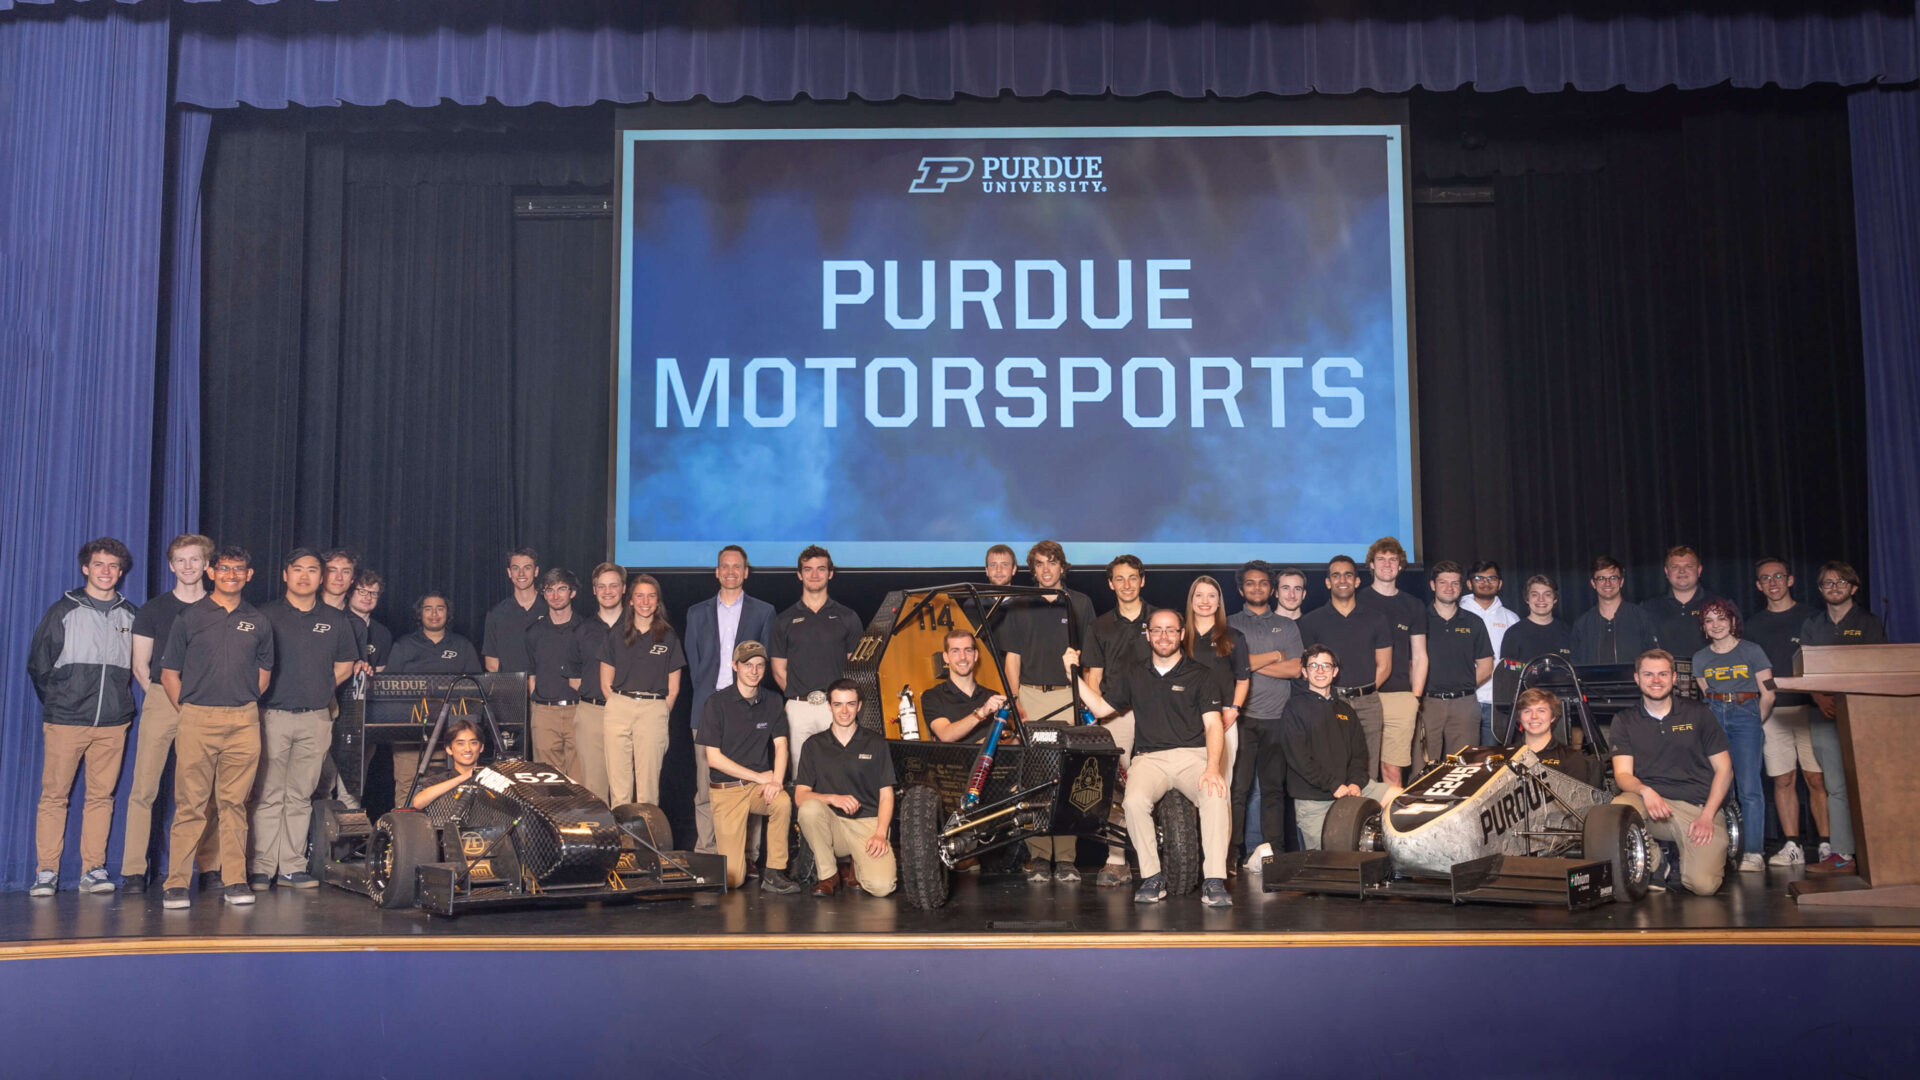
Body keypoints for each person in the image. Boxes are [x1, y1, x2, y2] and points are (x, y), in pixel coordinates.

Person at [1066, 609, 1233, 907]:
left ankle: (1214, 880)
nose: (1164, 636)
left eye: (1170, 630)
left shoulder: (1201, 675)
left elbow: (1213, 725)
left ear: (1182, 634)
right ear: (1148, 634)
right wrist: (1073, 674)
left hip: (1192, 756)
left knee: (1216, 795)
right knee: (1132, 802)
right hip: (1149, 758)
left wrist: (1212, 768)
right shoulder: (1134, 672)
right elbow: (1103, 709)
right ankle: (1152, 877)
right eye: (1157, 630)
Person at [157, 545, 276, 909]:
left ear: (248, 575)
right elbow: (169, 673)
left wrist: (236, 703)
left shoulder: (258, 621)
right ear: (211, 572)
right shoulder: (189, 617)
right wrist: (191, 710)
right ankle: (176, 882)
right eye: (224, 568)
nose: (231, 575)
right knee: (191, 804)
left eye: (238, 569)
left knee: (235, 804)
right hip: (196, 718)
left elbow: (263, 677)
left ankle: (236, 879)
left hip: (243, 721)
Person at [25, 538, 139, 897]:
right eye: (99, 565)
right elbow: (39, 666)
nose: (106, 572)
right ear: (85, 569)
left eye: (113, 566)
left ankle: (93, 869)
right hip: (66, 721)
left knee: (101, 798)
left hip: (113, 723)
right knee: (54, 796)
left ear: (120, 573)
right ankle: (46, 871)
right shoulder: (64, 610)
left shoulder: (130, 614)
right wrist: (62, 701)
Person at [248, 549, 357, 891]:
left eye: (312, 570)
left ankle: (292, 866)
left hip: (315, 719)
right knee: (267, 794)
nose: (305, 576)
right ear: (285, 575)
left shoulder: (336, 620)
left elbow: (345, 665)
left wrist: (321, 687)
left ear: (320, 577)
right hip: (272, 715)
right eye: (298, 569)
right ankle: (262, 867)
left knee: (300, 795)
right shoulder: (265, 615)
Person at [118, 534, 219, 893]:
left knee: (204, 792)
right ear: (171, 565)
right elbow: (140, 666)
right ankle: (133, 871)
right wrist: (165, 697)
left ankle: (209, 868)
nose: (188, 566)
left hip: (207, 702)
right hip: (162, 697)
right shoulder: (154, 609)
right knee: (144, 787)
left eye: (195, 559)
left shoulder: (220, 608)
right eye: (181, 560)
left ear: (207, 565)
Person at [998, 540, 1097, 881]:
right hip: (1031, 697)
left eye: (1051, 562)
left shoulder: (1080, 603)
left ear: (1062, 567)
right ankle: (1039, 856)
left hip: (1070, 699)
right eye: (1039, 564)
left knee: (1069, 779)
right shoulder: (1020, 604)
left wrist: (1087, 699)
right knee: (1037, 780)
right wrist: (1015, 702)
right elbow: (1013, 657)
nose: (1046, 569)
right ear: (1033, 569)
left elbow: (1090, 659)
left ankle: (1067, 858)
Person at [1609, 649, 1733, 896]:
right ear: (1637, 678)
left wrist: (1708, 815)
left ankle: (1686, 854)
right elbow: (1622, 775)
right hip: (1652, 805)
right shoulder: (1625, 720)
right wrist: (1646, 791)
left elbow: (1725, 770)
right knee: (1619, 807)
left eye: (1663, 674)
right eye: (1649, 674)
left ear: (1674, 678)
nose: (1656, 680)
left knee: (1703, 886)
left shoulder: (1698, 713)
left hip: (1696, 808)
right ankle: (1657, 861)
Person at [1797, 560, 1888, 874]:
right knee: (1835, 785)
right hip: (1824, 713)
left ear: (1853, 587)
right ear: (1820, 590)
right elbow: (1803, 667)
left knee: (1868, 783)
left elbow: (1879, 668)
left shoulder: (1869, 622)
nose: (1833, 588)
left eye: (1840, 583)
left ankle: (1880, 851)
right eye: (1827, 583)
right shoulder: (1812, 624)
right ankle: (1843, 854)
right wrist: (1819, 697)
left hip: (1864, 713)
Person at [684, 546, 774, 853]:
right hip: (708, 708)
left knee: (749, 786)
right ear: (717, 572)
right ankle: (708, 851)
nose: (731, 571)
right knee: (705, 787)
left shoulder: (763, 612)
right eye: (725, 566)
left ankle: (749, 855)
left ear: (746, 572)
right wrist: (714, 700)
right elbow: (695, 665)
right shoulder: (696, 613)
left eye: (737, 566)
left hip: (748, 709)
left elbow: (765, 663)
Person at [697, 641, 800, 893]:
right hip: (727, 790)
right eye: (747, 665)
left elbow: (781, 745)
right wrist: (760, 776)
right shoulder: (716, 703)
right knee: (733, 880)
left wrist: (776, 781)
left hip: (757, 789)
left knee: (782, 802)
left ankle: (774, 872)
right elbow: (714, 759)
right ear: (735, 666)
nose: (753, 671)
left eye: (759, 665)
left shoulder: (773, 701)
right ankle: (733, 862)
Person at [1743, 557, 1826, 867]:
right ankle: (1792, 844)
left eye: (1779, 576)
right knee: (1783, 779)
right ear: (1758, 586)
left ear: (1790, 580)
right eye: (1766, 578)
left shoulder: (1813, 618)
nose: (1773, 582)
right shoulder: (1753, 626)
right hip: (1775, 713)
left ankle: (1828, 845)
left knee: (1817, 779)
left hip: (1811, 710)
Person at [1079, 554, 1154, 886]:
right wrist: (1095, 722)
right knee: (1115, 787)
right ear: (1110, 584)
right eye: (1119, 579)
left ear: (1142, 580)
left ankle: (1168, 857)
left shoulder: (1162, 620)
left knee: (1160, 781)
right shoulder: (1099, 626)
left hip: (1158, 714)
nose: (1127, 584)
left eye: (1132, 578)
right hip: (1115, 716)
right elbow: (1093, 676)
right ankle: (1117, 859)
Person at [1228, 560, 1303, 872]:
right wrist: (1274, 656)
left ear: (1271, 589)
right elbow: (1228, 665)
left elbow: (1296, 668)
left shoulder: (1287, 626)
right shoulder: (1229, 624)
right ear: (1240, 588)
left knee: (1273, 791)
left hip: (1278, 719)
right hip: (1240, 718)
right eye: (1250, 583)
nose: (1256, 588)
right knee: (1238, 791)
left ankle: (1275, 854)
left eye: (1262, 583)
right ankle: (1232, 853)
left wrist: (1246, 662)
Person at [1281, 645, 1392, 850]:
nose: (1320, 670)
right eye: (1313, 665)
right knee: (1326, 862)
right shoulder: (1294, 708)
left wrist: (1355, 783)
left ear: (1335, 671)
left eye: (1326, 665)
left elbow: (1360, 755)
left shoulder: (1346, 711)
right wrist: (1333, 785)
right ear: (1304, 672)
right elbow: (1299, 758)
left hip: (1351, 787)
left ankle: (1394, 857)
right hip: (1314, 798)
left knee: (1398, 798)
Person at [1690, 598, 1772, 873]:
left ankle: (1753, 852)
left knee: (1749, 788)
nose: (1716, 625)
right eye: (1709, 620)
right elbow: (1705, 693)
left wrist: (1753, 722)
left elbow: (1769, 693)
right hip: (1714, 715)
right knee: (1721, 785)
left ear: (1733, 621)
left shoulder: (1752, 651)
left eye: (1721, 618)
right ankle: (1726, 850)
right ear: (1703, 627)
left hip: (1745, 712)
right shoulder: (1700, 658)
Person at [795, 680, 897, 897]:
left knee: (882, 887)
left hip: (868, 825)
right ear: (829, 706)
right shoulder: (813, 745)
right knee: (809, 809)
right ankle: (828, 875)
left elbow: (887, 796)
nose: (844, 711)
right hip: (834, 827)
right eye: (838, 704)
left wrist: (880, 833)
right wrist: (833, 798)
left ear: (859, 706)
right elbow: (800, 796)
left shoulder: (876, 743)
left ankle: (858, 864)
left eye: (850, 704)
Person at [770, 545, 864, 778]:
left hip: (835, 709)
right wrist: (800, 697)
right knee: (800, 778)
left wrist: (838, 703)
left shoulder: (848, 617)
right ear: (799, 574)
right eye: (808, 569)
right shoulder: (784, 620)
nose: (814, 575)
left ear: (830, 573)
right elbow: (779, 670)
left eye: (821, 569)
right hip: (797, 709)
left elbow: (855, 669)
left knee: (840, 774)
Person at [1297, 555, 1393, 782]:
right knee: (1331, 766)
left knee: (1367, 771)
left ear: (1357, 582)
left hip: (1368, 704)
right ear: (1328, 582)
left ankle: (1365, 816)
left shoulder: (1376, 619)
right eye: (1336, 575)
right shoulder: (1311, 621)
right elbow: (1308, 668)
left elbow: (1385, 665)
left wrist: (1362, 692)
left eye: (1348, 574)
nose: (1342, 580)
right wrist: (1332, 696)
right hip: (1328, 703)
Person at [597, 573, 685, 807]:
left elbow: (674, 688)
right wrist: (621, 706)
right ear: (631, 601)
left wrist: (656, 711)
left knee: (648, 789)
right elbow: (606, 682)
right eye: (640, 596)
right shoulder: (615, 635)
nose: (645, 601)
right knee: (619, 788)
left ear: (658, 601)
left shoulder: (668, 636)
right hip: (619, 707)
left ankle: (647, 842)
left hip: (653, 708)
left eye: (651, 596)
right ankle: (623, 842)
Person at [384, 592, 480, 802]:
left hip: (452, 732)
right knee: (407, 788)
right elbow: (389, 691)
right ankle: (407, 833)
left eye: (440, 608)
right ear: (420, 614)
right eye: (428, 608)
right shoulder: (403, 645)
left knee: (455, 786)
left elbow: (475, 691)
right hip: (409, 733)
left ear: (448, 613)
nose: (434, 614)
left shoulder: (462, 646)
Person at [1184, 575, 1249, 872]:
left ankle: (1220, 859)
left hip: (1222, 720)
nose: (1206, 601)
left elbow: (1243, 679)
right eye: (1200, 595)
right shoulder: (1179, 634)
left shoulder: (1234, 636)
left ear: (1219, 602)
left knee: (1221, 789)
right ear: (1192, 600)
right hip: (1185, 719)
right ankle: (1190, 854)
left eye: (1212, 596)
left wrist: (1234, 709)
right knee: (1188, 789)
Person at [1354, 538, 1426, 786]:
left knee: (1392, 771)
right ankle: (1362, 823)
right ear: (1371, 565)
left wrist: (1414, 697)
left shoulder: (1413, 605)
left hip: (1399, 697)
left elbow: (1419, 655)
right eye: (1381, 559)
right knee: (1363, 770)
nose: (1387, 564)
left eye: (1393, 560)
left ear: (1401, 566)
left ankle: (1392, 824)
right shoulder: (1357, 601)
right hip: (1364, 697)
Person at [1420, 562, 1494, 764]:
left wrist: (1462, 686)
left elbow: (1487, 665)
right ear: (1433, 585)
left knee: (1465, 767)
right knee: (1424, 767)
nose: (1449, 587)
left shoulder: (1473, 622)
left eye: (1454, 583)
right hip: (1427, 704)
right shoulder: (1419, 619)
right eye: (1443, 582)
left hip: (1464, 704)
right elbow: (1410, 663)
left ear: (1461, 588)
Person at [571, 562, 628, 805]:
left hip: (629, 712)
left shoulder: (639, 627)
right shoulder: (582, 629)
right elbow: (574, 677)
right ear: (594, 590)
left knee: (626, 785)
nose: (608, 591)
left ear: (623, 588)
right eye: (601, 586)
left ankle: (627, 841)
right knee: (593, 787)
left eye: (613, 585)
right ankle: (602, 841)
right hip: (592, 713)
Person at [524, 568, 587, 782]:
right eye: (549, 590)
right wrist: (537, 707)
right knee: (547, 781)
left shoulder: (586, 629)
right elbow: (531, 673)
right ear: (543, 593)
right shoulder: (534, 631)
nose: (555, 595)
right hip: (544, 712)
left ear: (573, 592)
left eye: (561, 589)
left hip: (578, 711)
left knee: (580, 780)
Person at [1495, 575, 1575, 742]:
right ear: (1527, 599)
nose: (1541, 599)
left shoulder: (1567, 632)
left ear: (1555, 599)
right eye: (1534, 594)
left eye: (1547, 594)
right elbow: (1507, 676)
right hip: (1526, 718)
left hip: (1561, 715)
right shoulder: (1514, 633)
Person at [1460, 560, 1523, 745]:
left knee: (1493, 760)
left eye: (1491, 578)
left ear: (1500, 583)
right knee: (1462, 759)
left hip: (1497, 703)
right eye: (1479, 578)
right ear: (1469, 583)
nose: (1485, 582)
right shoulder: (1457, 613)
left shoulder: (1511, 619)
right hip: (1464, 701)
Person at [919, 630, 1007, 745]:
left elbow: (1009, 741)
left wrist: (1021, 733)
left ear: (975, 655)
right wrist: (982, 712)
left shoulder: (992, 696)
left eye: (968, 650)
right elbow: (946, 735)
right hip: (957, 762)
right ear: (945, 657)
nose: (962, 657)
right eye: (955, 651)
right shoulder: (932, 696)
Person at [1642, 546, 1729, 657]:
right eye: (1675, 567)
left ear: (1699, 570)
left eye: (1689, 566)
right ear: (1666, 572)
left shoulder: (1722, 604)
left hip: (1711, 672)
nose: (1682, 571)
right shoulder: (1648, 608)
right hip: (1664, 673)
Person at [1571, 555, 1659, 664]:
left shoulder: (1641, 617)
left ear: (1621, 582)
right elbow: (1576, 666)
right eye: (1601, 578)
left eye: (1613, 578)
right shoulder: (1582, 624)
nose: (1607, 583)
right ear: (1593, 583)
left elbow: (1655, 660)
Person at [1513, 687, 1604, 788]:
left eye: (1541, 710)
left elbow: (1577, 800)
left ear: (1553, 717)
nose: (1534, 716)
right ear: (1519, 717)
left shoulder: (1572, 758)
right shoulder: (1506, 756)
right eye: (1527, 711)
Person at [482, 547, 542, 675]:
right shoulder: (496, 614)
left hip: (548, 691)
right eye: (515, 568)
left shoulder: (550, 608)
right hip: (512, 692)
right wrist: (515, 688)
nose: (521, 574)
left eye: (527, 568)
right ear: (509, 573)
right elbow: (491, 664)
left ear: (536, 571)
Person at [409, 718, 488, 810]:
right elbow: (418, 803)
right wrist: (465, 777)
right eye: (460, 744)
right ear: (449, 749)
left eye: (473, 743)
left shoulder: (493, 778)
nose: (467, 749)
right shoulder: (438, 780)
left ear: (481, 747)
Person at [346, 569, 394, 670]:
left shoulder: (383, 633)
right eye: (362, 591)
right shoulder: (336, 623)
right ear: (349, 593)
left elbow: (380, 675)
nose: (368, 598)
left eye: (373, 593)